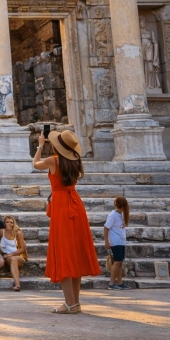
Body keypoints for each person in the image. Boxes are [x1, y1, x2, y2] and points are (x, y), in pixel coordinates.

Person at [34, 129, 101, 314]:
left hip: (62, 206)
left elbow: (35, 164)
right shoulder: (75, 160)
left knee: (64, 252)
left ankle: (69, 304)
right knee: (75, 253)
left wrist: (40, 145)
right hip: (75, 204)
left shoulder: (53, 161)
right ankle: (75, 303)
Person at [105, 196, 131, 290]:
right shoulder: (113, 215)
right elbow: (106, 227)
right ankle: (111, 283)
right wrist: (107, 242)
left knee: (120, 262)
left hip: (121, 241)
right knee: (117, 262)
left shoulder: (121, 215)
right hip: (115, 242)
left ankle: (119, 282)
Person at [0, 215, 28, 292]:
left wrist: (12, 254)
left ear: (13, 223)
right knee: (12, 259)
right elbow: (0, 246)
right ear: (4, 223)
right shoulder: (1, 232)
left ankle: (17, 284)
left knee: (14, 259)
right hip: (7, 257)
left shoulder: (18, 233)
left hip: (17, 255)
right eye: (7, 222)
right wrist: (3, 254)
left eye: (11, 222)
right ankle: (17, 284)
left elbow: (22, 249)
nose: (9, 224)